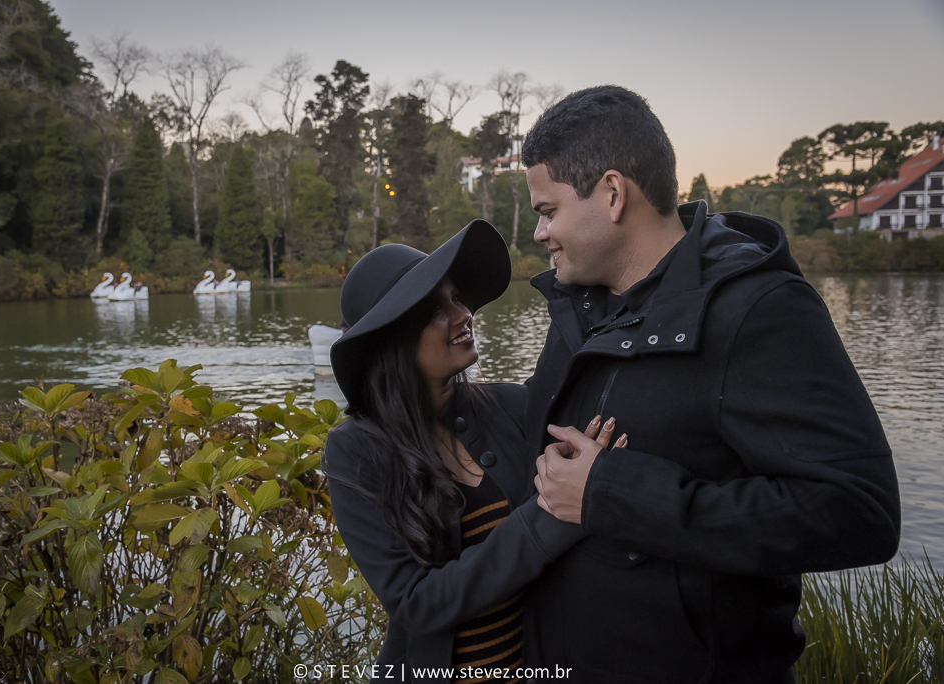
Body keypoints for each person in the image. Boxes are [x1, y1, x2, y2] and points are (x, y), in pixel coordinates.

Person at [519, 85, 902, 683]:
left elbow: (860, 512)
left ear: (613, 194)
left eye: (547, 211)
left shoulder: (757, 310)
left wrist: (615, 494)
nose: (539, 233)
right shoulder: (579, 308)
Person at [321, 220, 622, 683]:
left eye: (457, 298)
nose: (463, 314)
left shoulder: (511, 405)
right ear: (391, 337)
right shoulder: (355, 452)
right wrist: (549, 516)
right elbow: (416, 602)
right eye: (436, 309)